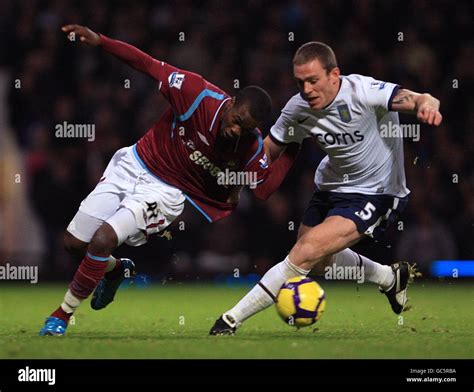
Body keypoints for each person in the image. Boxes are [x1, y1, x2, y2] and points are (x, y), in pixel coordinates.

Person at [39, 24, 298, 336]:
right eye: (237, 122)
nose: (236, 131)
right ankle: (116, 269)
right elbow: (146, 64)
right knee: (74, 244)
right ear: (231, 103)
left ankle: (61, 316)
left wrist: (293, 147)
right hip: (134, 162)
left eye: (247, 128)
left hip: (166, 193)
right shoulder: (196, 93)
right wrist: (100, 41)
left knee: (104, 238)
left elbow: (264, 189)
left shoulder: (251, 144)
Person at [210, 41, 443, 335]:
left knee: (304, 251)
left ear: (335, 75)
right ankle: (388, 277)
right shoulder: (298, 108)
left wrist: (426, 105)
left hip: (376, 192)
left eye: (312, 80)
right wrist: (237, 175)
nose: (306, 89)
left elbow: (417, 98)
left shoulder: (363, 91)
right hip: (330, 186)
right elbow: (270, 150)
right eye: (300, 82)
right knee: (317, 262)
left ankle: (230, 320)